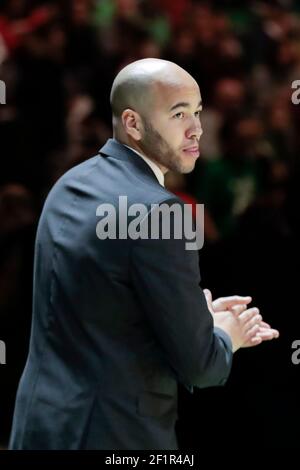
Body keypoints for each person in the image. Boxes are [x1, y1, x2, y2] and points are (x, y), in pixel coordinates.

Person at [9, 58, 279, 450]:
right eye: (178, 114)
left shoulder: (70, 182)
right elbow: (202, 366)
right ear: (133, 123)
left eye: (198, 112)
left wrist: (192, 316)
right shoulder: (161, 211)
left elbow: (100, 311)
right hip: (114, 435)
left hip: (41, 423)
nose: (197, 129)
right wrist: (225, 333)